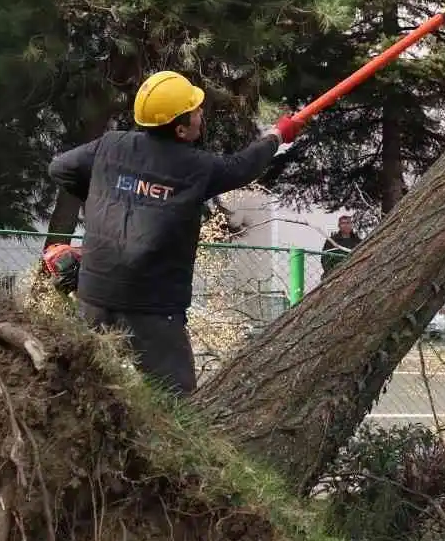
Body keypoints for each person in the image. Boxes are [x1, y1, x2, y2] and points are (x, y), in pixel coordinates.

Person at [49, 71, 299, 396]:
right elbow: (242, 167)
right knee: (176, 405)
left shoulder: (110, 145)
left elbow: (60, 168)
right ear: (180, 129)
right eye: (195, 111)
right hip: (153, 311)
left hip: (94, 296)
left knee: (86, 395)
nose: (201, 115)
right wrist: (277, 136)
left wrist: (105, 197)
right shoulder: (194, 166)